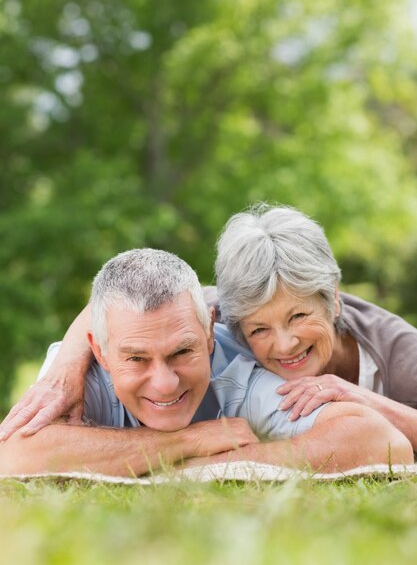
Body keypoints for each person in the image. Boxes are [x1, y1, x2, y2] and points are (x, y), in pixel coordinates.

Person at [0, 248, 412, 476]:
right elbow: (12, 456)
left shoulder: (234, 370)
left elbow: (382, 442)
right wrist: (185, 445)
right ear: (101, 350)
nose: (164, 383)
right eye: (137, 359)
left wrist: (214, 464)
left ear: (210, 333)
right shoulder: (76, 374)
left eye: (183, 352)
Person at [214, 204, 417, 451]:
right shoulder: (214, 324)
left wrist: (359, 396)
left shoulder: (405, 355)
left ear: (333, 298)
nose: (285, 345)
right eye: (259, 330)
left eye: (297, 316)